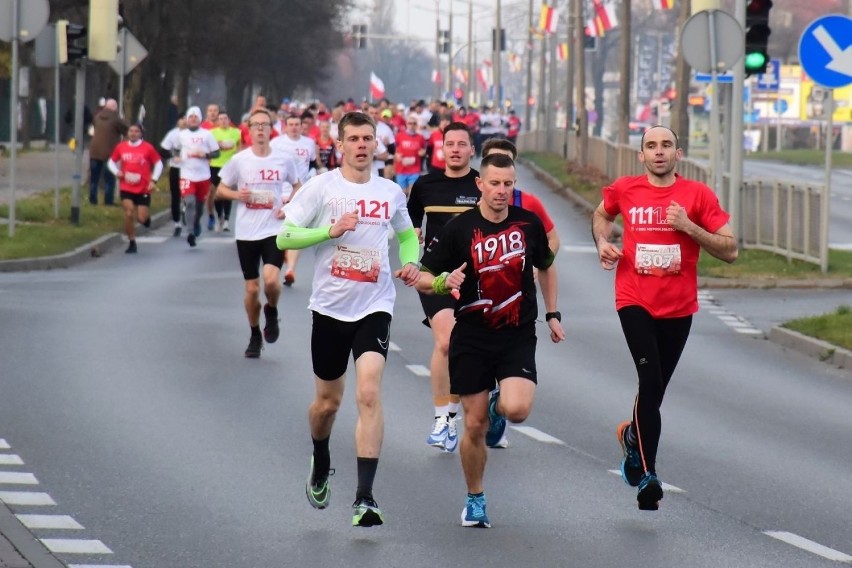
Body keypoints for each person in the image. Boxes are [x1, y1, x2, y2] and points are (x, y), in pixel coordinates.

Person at [276, 111, 421, 527]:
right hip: (329, 308)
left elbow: (408, 236)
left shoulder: (391, 192)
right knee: (327, 404)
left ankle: (365, 498)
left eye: (367, 138)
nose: (361, 145)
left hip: (375, 305)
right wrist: (329, 231)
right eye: (353, 139)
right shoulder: (321, 188)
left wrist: (411, 263)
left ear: (377, 144)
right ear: (339, 145)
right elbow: (285, 236)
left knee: (369, 393)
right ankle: (320, 459)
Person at [414, 152, 565, 528]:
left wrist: (552, 313)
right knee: (474, 425)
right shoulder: (459, 229)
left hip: (516, 335)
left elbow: (546, 267)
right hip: (473, 337)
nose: (501, 190)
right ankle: (475, 498)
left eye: (508, 184)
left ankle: (501, 406)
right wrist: (440, 282)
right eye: (494, 183)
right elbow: (422, 275)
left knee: (517, 410)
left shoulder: (528, 224)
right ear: (479, 184)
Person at [591, 125, 738, 511]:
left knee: (654, 393)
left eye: (666, 145)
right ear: (641, 156)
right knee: (649, 379)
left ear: (679, 153)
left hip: (678, 307)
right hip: (633, 299)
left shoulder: (697, 195)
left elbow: (731, 250)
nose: (659, 151)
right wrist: (603, 242)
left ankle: (631, 438)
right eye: (651, 146)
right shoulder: (625, 188)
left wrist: (689, 227)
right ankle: (648, 475)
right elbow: (601, 214)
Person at [407, 122, 480, 452]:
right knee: (447, 340)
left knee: (470, 346)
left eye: (461, 144)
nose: (454, 149)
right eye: (448, 143)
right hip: (434, 275)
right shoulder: (425, 185)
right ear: (441, 148)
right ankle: (442, 419)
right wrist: (412, 238)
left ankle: (455, 412)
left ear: (471, 150)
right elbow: (407, 226)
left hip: (476, 278)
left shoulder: (481, 183)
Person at [215, 108, 302, 358]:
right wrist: (236, 195)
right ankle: (254, 334)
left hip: (273, 229)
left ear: (271, 129)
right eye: (256, 125)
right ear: (249, 130)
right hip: (246, 232)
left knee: (272, 280)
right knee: (252, 289)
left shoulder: (283, 159)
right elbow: (221, 190)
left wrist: (288, 207)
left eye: (265, 125)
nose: (261, 129)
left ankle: (272, 310)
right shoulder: (239, 161)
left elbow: (298, 186)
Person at [480, 138, 561, 255]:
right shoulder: (468, 200)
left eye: (506, 161)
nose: (500, 165)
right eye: (494, 160)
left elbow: (553, 239)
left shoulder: (529, 202)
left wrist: (540, 267)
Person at [270, 113, 320, 286]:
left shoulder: (309, 143)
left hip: (299, 192)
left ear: (301, 126)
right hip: (278, 191)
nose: (294, 127)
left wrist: (314, 174)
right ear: (285, 126)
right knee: (276, 234)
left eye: (297, 124)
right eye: (290, 124)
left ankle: (290, 269)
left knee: (292, 230)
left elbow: (313, 163)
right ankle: (278, 264)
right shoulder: (276, 143)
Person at [107, 124, 163, 253]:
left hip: (143, 187)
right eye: (130, 131)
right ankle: (132, 242)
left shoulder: (148, 148)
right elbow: (111, 161)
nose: (133, 133)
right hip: (126, 186)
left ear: (141, 133)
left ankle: (146, 219)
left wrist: (153, 180)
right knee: (129, 212)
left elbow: (158, 163)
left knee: (141, 218)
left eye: (136, 131)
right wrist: (117, 172)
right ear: (127, 133)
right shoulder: (121, 147)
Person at [176, 106, 220, 247]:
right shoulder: (181, 135)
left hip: (203, 175)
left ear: (200, 119)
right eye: (190, 117)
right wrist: (176, 157)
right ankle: (190, 233)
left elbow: (217, 153)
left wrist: (205, 155)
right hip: (186, 174)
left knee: (200, 206)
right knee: (189, 202)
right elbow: (175, 150)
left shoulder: (207, 134)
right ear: (187, 120)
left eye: (196, 117)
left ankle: (195, 223)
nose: (193, 119)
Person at [88, 99, 128, 206]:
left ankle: (92, 200)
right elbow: (126, 130)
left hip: (94, 151)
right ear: (115, 107)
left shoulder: (97, 117)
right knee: (109, 179)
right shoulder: (116, 119)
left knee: (94, 178)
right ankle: (108, 201)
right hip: (109, 153)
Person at [210, 110, 243, 232]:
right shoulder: (212, 133)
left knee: (228, 193)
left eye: (225, 118)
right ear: (218, 121)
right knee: (217, 194)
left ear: (229, 120)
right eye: (221, 119)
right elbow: (209, 148)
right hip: (216, 165)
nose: (223, 121)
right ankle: (220, 216)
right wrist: (218, 145)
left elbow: (240, 147)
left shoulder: (236, 132)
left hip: (230, 165)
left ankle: (227, 220)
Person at [160, 115, 186, 237]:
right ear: (178, 121)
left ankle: (185, 209)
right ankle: (177, 223)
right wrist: (172, 155)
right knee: (175, 195)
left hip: (189, 170)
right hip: (175, 168)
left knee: (187, 194)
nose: (184, 121)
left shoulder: (195, 134)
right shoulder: (172, 134)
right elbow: (163, 150)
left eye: (186, 119)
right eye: (182, 119)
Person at [393, 115, 426, 196]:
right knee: (403, 194)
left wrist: (423, 153)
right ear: (406, 124)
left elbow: (424, 150)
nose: (412, 125)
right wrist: (396, 155)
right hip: (401, 169)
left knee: (413, 193)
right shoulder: (399, 135)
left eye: (414, 123)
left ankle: (411, 208)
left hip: (414, 169)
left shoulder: (421, 137)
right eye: (410, 123)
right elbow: (394, 149)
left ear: (416, 125)